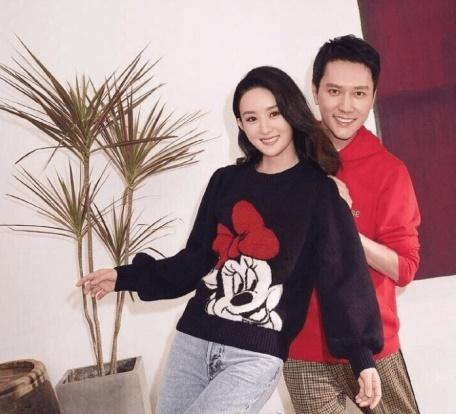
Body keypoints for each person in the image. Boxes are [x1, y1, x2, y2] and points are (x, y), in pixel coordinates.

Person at [78, 66, 383, 414]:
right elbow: (194, 261)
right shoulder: (225, 181)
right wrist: (123, 277)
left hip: (255, 355)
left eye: (274, 114)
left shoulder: (319, 192)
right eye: (251, 118)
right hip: (193, 340)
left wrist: (362, 358)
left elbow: (342, 279)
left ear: (292, 112)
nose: (264, 128)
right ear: (240, 124)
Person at [284, 35, 422, 414]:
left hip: (373, 345)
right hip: (302, 348)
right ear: (315, 92)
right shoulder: (287, 156)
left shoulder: (390, 172)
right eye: (334, 91)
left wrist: (343, 229)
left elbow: (404, 268)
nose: (346, 106)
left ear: (373, 97)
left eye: (359, 93)